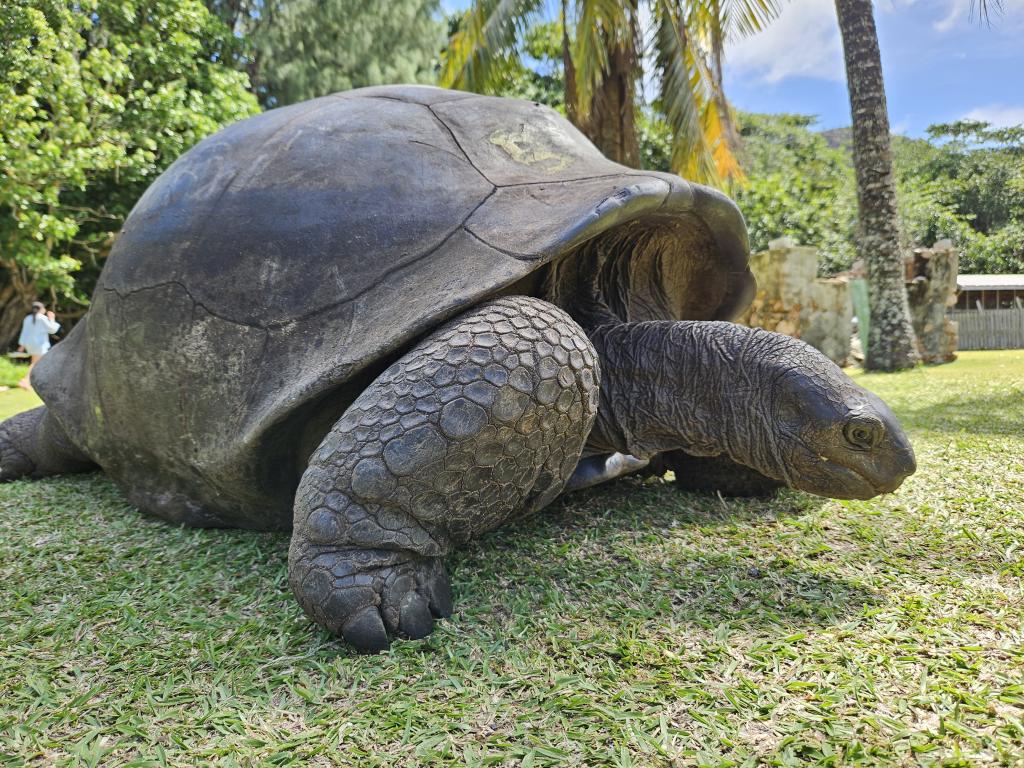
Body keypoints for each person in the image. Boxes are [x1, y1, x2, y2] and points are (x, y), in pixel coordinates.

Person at [17, 301, 60, 390]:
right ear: (41, 309)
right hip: (40, 345)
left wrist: (22, 345)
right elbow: (52, 330)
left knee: (36, 363)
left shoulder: (28, 318)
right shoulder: (42, 318)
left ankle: (30, 381)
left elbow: (24, 333)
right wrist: (52, 318)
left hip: (30, 344)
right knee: (36, 363)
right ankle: (25, 380)